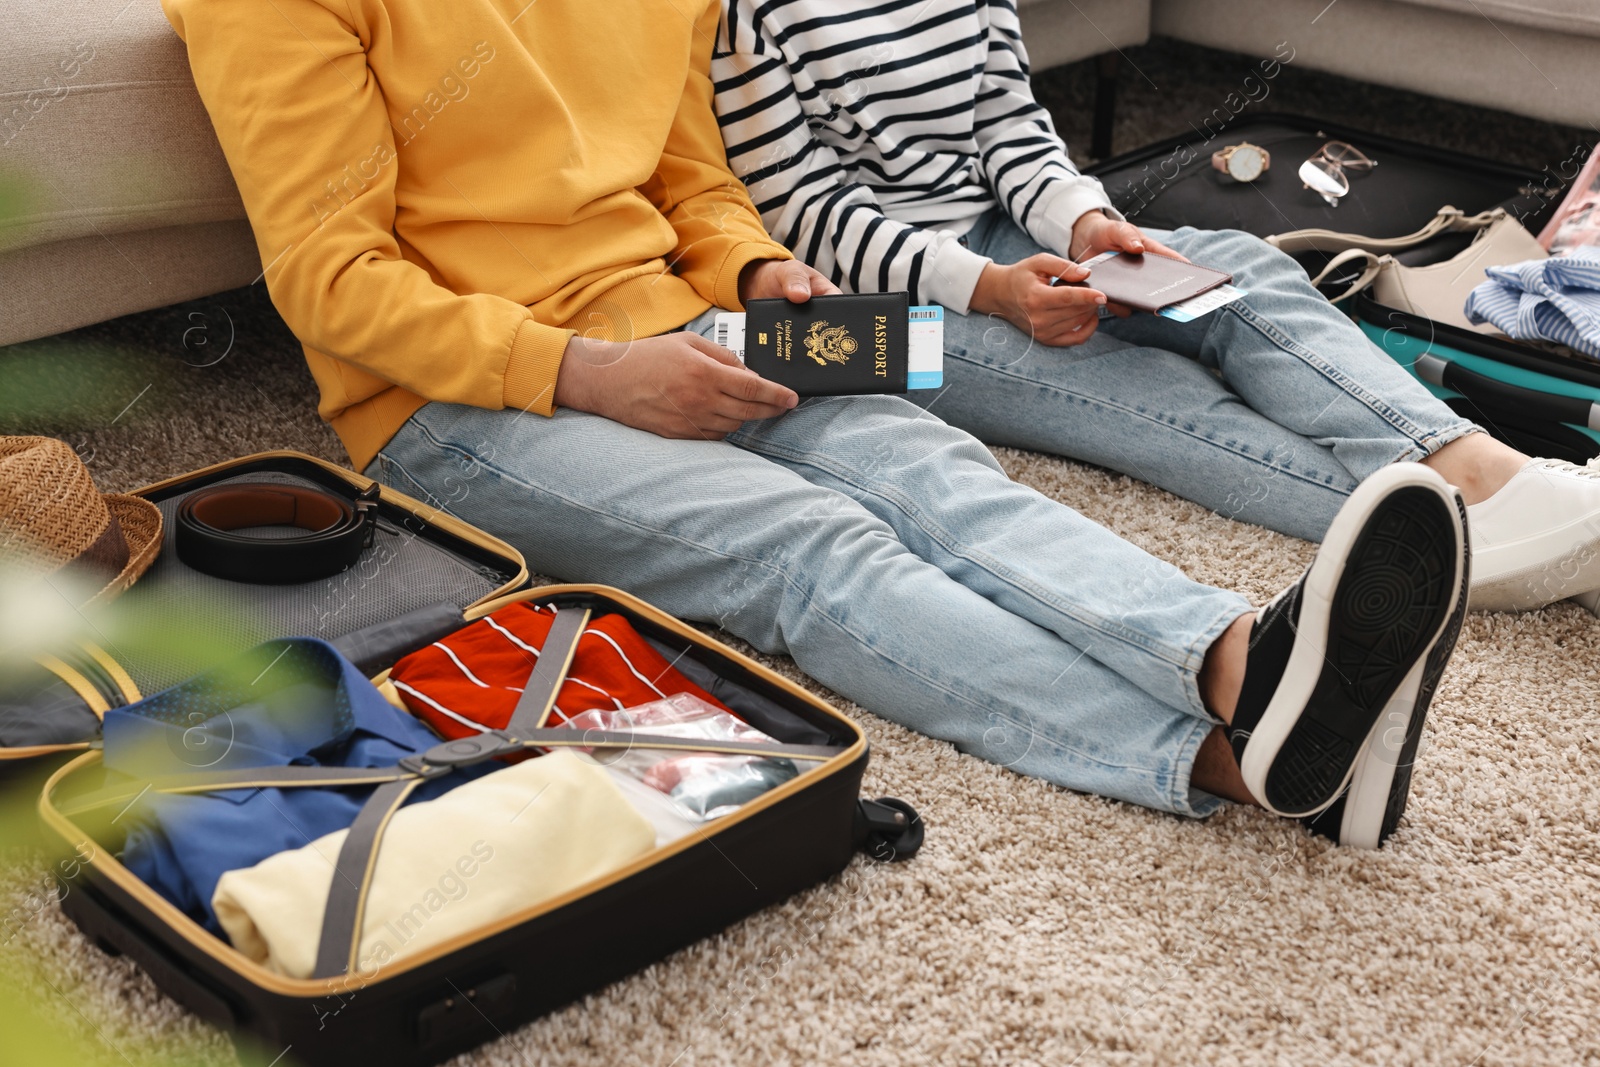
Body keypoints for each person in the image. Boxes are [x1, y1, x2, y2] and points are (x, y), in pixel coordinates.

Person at [160, 0, 1469, 847]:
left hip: (706, 312)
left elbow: (695, 182)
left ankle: (1251, 660)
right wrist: (596, 372)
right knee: (806, 541)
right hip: (466, 391)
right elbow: (330, 284)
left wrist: (757, 275)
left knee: (934, 446)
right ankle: (1234, 754)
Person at [710, 0, 1600, 614]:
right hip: (836, 317)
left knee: (1234, 272)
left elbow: (1008, 125)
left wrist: (1089, 223)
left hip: (1004, 234)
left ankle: (1484, 470)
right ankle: (1453, 534)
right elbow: (803, 213)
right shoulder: (744, 13)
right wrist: (990, 292)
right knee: (1135, 388)